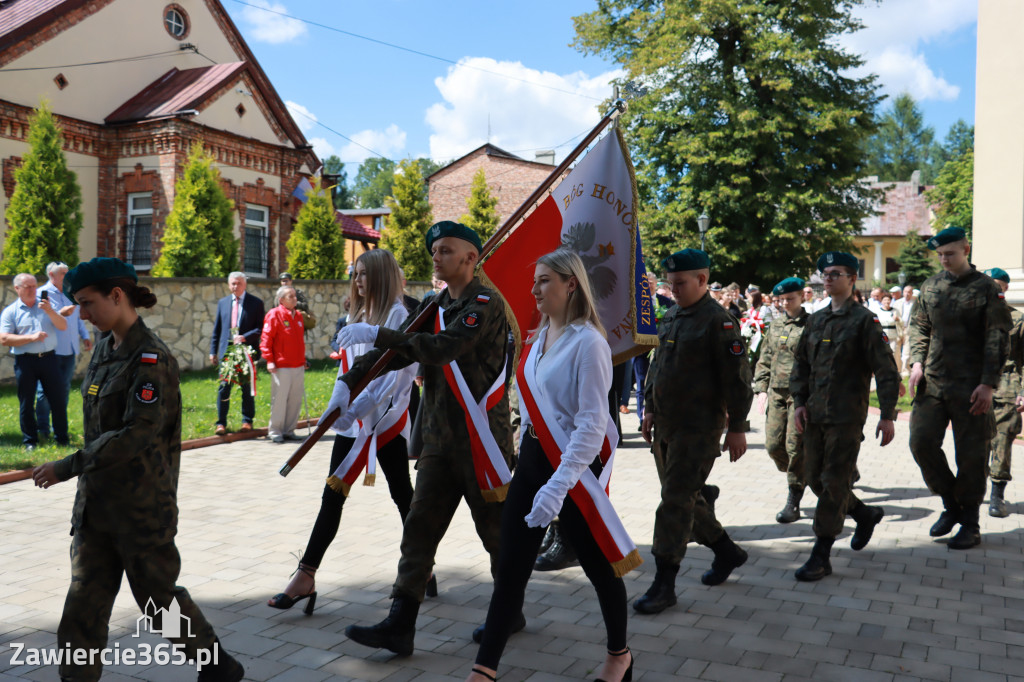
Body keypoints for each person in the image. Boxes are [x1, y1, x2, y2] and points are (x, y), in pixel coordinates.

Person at [31, 257, 244, 682]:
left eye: (88, 303)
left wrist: (67, 466)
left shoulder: (151, 359)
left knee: (158, 607)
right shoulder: (106, 350)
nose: (83, 314)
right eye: (78, 304)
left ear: (117, 295)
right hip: (97, 509)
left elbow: (136, 434)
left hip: (141, 509)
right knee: (82, 610)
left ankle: (216, 666)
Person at [328, 221, 515, 656]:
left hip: (480, 440)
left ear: (471, 258)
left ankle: (509, 608)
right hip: (438, 440)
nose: (437, 256)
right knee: (418, 530)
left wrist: (377, 332)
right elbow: (395, 351)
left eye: (447, 250)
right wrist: (350, 382)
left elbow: (438, 348)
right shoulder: (433, 303)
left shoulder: (483, 304)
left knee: (494, 534)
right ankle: (400, 624)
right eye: (435, 250)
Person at [466, 249, 638, 682]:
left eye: (544, 281)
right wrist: (526, 461)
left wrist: (559, 485)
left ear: (570, 284)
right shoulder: (537, 337)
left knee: (599, 567)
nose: (534, 289)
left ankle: (619, 655)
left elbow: (591, 424)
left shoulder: (590, 343)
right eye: (535, 280)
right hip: (533, 461)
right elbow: (529, 409)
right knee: (511, 568)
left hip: (573, 467)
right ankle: (484, 671)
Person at [269, 249, 418, 614]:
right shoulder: (358, 314)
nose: (359, 281)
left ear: (381, 277)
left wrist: (358, 410)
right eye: (356, 274)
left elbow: (396, 378)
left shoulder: (400, 316)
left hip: (386, 422)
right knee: (332, 494)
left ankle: (421, 564)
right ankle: (305, 575)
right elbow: (347, 370)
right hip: (354, 422)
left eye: (365, 274)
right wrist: (337, 407)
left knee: (403, 497)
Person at [634, 248, 752, 616]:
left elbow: (738, 382)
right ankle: (727, 552)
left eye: (680, 283)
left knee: (673, 502)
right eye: (670, 284)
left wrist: (737, 428)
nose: (673, 290)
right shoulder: (670, 315)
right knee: (686, 499)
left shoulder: (719, 323)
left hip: (698, 429)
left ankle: (664, 583)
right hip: (667, 425)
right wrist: (649, 408)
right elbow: (657, 366)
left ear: (702, 280)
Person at [790, 252, 900, 581]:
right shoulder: (816, 320)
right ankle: (864, 514)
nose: (827, 278)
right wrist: (798, 402)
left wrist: (888, 414)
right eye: (825, 273)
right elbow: (801, 365)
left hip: (846, 418)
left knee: (835, 483)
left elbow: (886, 370)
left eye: (835, 273)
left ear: (852, 279)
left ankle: (821, 554)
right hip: (815, 416)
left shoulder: (865, 321)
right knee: (814, 479)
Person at [908, 227, 1011, 550]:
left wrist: (987, 384)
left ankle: (970, 522)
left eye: (950, 254)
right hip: (934, 382)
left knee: (971, 457)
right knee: (921, 443)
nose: (944, 260)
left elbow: (998, 338)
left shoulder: (985, 289)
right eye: (940, 255)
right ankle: (951, 505)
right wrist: (917, 363)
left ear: (966, 249)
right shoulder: (931, 285)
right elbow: (919, 325)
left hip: (971, 386)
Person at [753, 277, 810, 524]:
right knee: (773, 446)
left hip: (801, 395)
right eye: (781, 300)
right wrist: (761, 388)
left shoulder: (812, 325)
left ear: (802, 297)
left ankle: (794, 496)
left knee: (795, 446)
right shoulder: (775, 326)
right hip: (776, 392)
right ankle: (804, 471)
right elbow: (765, 357)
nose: (785, 303)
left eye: (790, 299)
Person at [0, 273, 70, 449]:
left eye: (34, 286)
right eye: (28, 287)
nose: (33, 290)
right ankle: (30, 440)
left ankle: (62, 438)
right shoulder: (11, 312)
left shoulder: (45, 305)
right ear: (17, 289)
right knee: (26, 401)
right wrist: (32, 338)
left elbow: (62, 326)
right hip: (25, 362)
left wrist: (49, 310)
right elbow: (4, 338)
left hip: (49, 359)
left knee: (58, 399)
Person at [36, 261, 93, 440]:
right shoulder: (41, 294)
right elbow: (41, 320)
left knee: (64, 389)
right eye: (63, 273)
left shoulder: (71, 293)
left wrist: (84, 336)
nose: (67, 276)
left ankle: (58, 428)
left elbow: (77, 320)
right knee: (44, 391)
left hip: (69, 350)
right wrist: (61, 312)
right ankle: (42, 429)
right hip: (50, 350)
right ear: (52, 275)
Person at [985, 268, 1023, 518]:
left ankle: (997, 494)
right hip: (971, 384)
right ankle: (970, 489)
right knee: (973, 441)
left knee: (1002, 438)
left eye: (997, 285)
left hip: (1006, 383)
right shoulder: (971, 316)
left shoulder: (1017, 319)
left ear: (1006, 288)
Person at [209, 272, 265, 435]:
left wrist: (244, 337)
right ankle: (221, 424)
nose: (235, 286)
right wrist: (213, 351)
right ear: (228, 285)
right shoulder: (223, 303)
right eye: (233, 283)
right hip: (227, 353)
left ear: (245, 284)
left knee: (246, 388)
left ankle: (247, 421)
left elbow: (260, 328)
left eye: (238, 283)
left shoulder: (255, 303)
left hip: (246, 351)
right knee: (224, 387)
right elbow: (217, 329)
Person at [260, 285, 306, 444]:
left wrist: (303, 359)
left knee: (295, 399)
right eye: (290, 296)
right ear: (281, 300)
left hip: (298, 365)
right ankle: (275, 431)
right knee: (280, 399)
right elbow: (266, 339)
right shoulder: (274, 315)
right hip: (282, 366)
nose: (295, 299)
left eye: (295, 295)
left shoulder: (299, 316)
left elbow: (299, 341)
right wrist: (269, 360)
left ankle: (289, 430)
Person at [893, 285, 916, 376]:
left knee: (906, 352)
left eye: (909, 292)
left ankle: (905, 371)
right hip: (898, 330)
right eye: (905, 292)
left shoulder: (915, 303)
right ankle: (897, 370)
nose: (907, 294)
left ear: (912, 293)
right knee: (896, 350)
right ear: (903, 292)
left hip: (909, 329)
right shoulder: (897, 303)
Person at [876, 293, 901, 365]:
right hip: (882, 336)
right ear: (881, 301)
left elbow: (902, 322)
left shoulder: (895, 311)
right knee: (882, 353)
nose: (887, 301)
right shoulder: (878, 311)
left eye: (888, 300)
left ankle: (893, 369)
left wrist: (897, 319)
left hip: (893, 335)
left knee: (893, 352)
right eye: (885, 300)